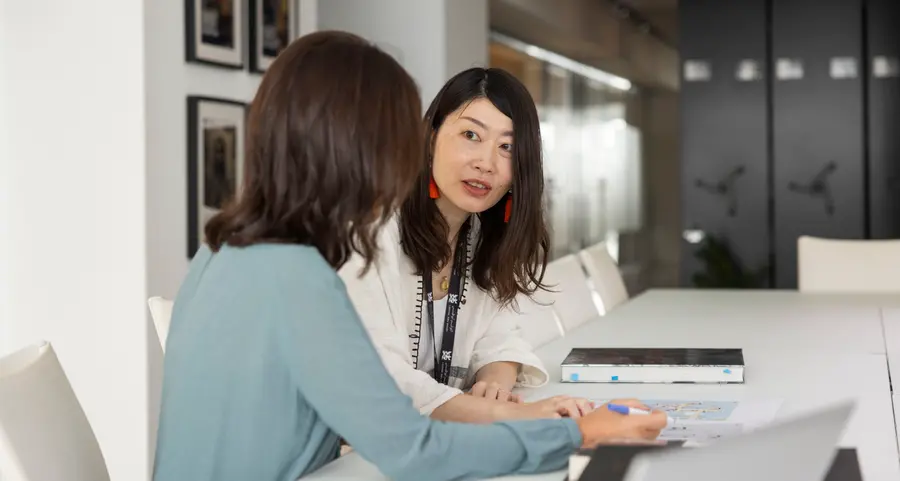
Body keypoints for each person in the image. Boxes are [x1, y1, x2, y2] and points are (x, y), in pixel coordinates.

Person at [152, 31, 667, 481]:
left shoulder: (223, 254)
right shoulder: (300, 277)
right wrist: (578, 433)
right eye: (397, 136)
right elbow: (413, 450)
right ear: (354, 149)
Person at [339, 67, 575, 422]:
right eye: (471, 135)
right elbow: (381, 377)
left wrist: (496, 380)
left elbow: (501, 339)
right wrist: (507, 414)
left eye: (507, 147)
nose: (486, 163)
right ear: (431, 138)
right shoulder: (370, 236)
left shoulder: (480, 239)